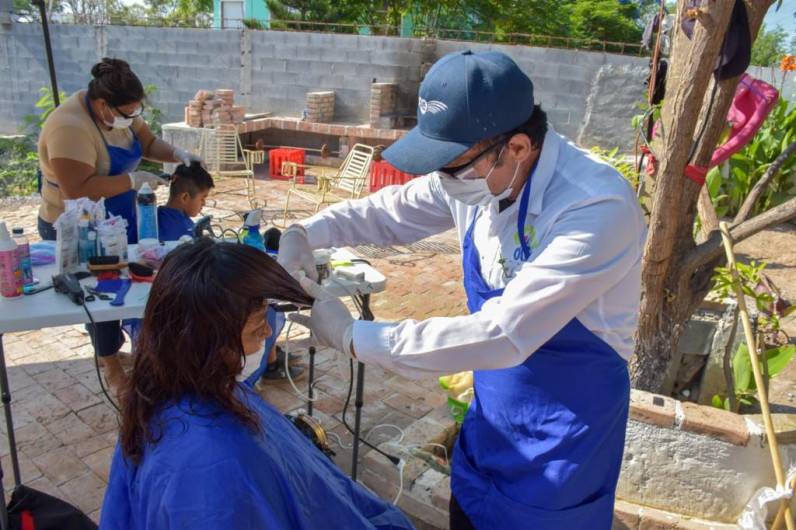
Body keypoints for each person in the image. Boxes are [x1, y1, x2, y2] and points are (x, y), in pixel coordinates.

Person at [279, 50, 647, 530]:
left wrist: (354, 337)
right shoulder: (480, 175)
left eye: (450, 168)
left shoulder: (595, 206)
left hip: (562, 446)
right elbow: (389, 211)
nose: (442, 182)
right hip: (491, 424)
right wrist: (304, 232)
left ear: (516, 148)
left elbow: (503, 334)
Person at [100, 239, 414, 529]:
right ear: (205, 343)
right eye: (255, 328)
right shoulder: (211, 469)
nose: (267, 334)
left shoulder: (166, 390)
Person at [37, 57, 203, 390]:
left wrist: (179, 155)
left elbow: (149, 144)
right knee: (99, 291)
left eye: (135, 112)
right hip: (77, 226)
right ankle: (111, 364)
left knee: (126, 287)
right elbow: (77, 188)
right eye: (127, 113)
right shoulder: (69, 127)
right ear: (102, 106)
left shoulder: (121, 114)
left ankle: (116, 348)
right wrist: (133, 180)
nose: (133, 118)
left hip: (115, 219)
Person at [157, 161, 214, 241]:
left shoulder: (154, 216)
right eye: (202, 198)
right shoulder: (185, 233)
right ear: (185, 197)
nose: (204, 203)